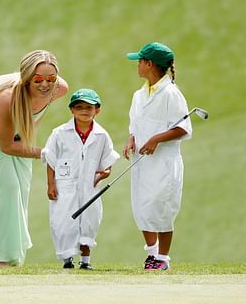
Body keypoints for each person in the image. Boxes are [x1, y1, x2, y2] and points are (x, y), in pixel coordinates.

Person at [0, 50, 69, 266]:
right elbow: (7, 146)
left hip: (14, 130)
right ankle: (1, 259)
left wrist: (27, 140)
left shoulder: (59, 89)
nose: (45, 85)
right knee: (7, 188)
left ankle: (15, 260)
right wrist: (46, 153)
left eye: (51, 79)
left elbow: (33, 116)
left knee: (21, 187)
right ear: (27, 78)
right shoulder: (6, 97)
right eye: (38, 80)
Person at [123, 42, 192, 271]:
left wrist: (156, 139)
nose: (137, 65)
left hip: (164, 162)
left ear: (149, 64)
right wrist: (131, 138)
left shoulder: (171, 93)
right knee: (142, 207)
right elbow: (135, 124)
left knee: (161, 208)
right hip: (142, 161)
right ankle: (151, 255)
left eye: (139, 61)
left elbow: (184, 128)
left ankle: (163, 258)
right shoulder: (139, 94)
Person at [42, 88, 120, 270]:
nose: (84, 111)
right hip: (65, 186)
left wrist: (106, 172)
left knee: (89, 222)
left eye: (89, 107)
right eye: (79, 107)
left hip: (90, 187)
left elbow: (107, 160)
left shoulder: (102, 135)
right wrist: (50, 184)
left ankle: (85, 261)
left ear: (97, 110)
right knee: (63, 222)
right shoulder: (59, 133)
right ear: (71, 110)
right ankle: (67, 260)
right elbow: (51, 160)